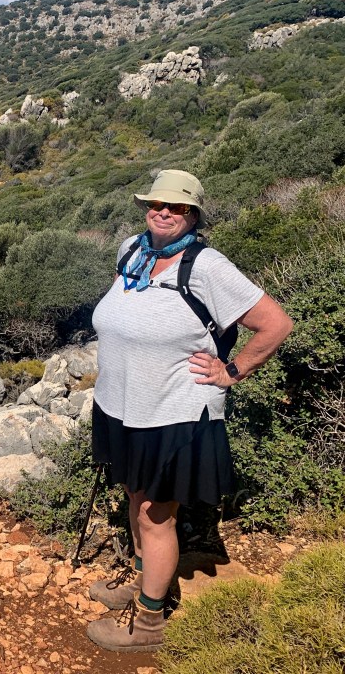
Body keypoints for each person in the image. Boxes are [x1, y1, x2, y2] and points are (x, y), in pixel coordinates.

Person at [85, 169, 293, 652]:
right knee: (136, 496)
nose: (163, 212)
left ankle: (149, 621)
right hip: (123, 406)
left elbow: (276, 324)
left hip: (173, 413)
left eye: (177, 207)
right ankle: (142, 582)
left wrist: (232, 371)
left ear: (193, 215)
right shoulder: (132, 250)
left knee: (156, 515)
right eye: (156, 204)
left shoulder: (206, 266)